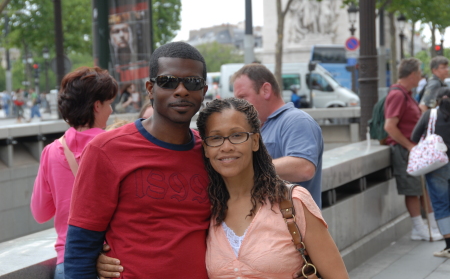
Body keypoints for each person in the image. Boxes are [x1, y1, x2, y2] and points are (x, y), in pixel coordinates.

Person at [97, 98, 349, 279]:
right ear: (205, 147)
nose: (226, 146)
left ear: (255, 141)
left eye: (237, 135)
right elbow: (159, 239)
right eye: (216, 138)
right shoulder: (204, 209)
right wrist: (104, 258)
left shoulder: (292, 202)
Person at [64, 42, 211, 279]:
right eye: (168, 81)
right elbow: (81, 246)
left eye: (192, 82)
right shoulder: (106, 150)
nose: (181, 90)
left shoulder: (211, 151)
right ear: (150, 89)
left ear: (203, 91)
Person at [30, 67, 118, 279]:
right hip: (113, 261)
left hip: (68, 263)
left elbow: (40, 213)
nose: (112, 110)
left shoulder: (51, 151)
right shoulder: (116, 146)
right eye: (109, 103)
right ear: (97, 106)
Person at [232, 63, 324, 207]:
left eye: (243, 97)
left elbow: (304, 168)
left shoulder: (296, 120)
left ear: (266, 90)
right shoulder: (257, 127)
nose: (238, 106)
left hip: (292, 226)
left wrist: (246, 167)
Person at [384, 58, 442, 241]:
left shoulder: (405, 94)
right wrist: (410, 146)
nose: (421, 78)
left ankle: (431, 226)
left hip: (412, 149)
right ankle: (419, 228)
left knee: (421, 188)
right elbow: (390, 126)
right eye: (419, 74)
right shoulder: (397, 95)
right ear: (412, 74)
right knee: (412, 190)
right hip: (405, 150)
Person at [412, 87, 450, 258]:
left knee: (441, 204)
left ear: (437, 100)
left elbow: (414, 137)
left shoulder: (430, 115)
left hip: (437, 166)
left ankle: (449, 246)